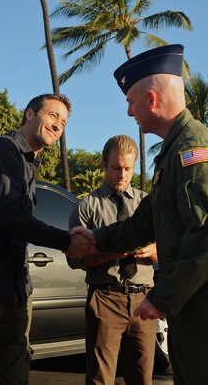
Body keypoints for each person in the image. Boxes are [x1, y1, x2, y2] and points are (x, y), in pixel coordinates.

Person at [73, 44, 208, 384]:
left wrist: (162, 297)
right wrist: (96, 237)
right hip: (200, 306)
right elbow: (148, 220)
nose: (129, 112)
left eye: (130, 101)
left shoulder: (192, 150)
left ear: (151, 99)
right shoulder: (174, 152)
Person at [0, 93, 94, 385]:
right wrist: (65, 241)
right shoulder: (1, 151)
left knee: (13, 373)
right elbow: (7, 217)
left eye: (63, 121)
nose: (58, 124)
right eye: (52, 115)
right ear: (29, 114)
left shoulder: (29, 165)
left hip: (14, 288)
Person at [68, 135, 157, 385]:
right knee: (100, 378)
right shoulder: (87, 206)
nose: (122, 174)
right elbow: (76, 260)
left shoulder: (146, 203)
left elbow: (171, 252)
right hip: (106, 298)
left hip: (143, 300)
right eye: (116, 167)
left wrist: (151, 251)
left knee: (142, 377)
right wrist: (114, 251)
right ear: (104, 165)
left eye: (128, 168)